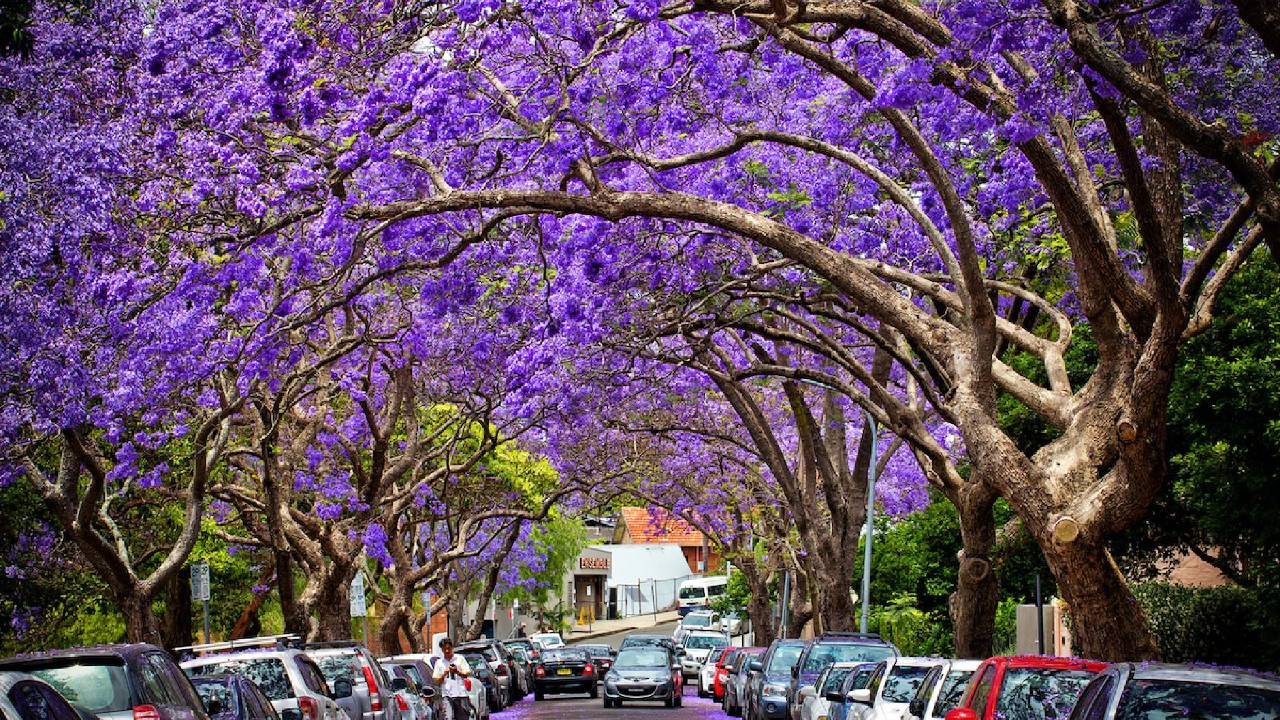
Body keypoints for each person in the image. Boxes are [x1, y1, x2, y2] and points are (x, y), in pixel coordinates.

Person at [431, 638, 472, 720]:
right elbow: (436, 681)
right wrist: (444, 674)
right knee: (448, 717)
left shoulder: (460, 659)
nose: (446, 651)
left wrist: (457, 672)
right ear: (441, 650)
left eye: (448, 648)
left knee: (463, 717)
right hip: (447, 695)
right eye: (444, 649)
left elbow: (467, 673)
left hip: (461, 694)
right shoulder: (439, 663)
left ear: (452, 648)